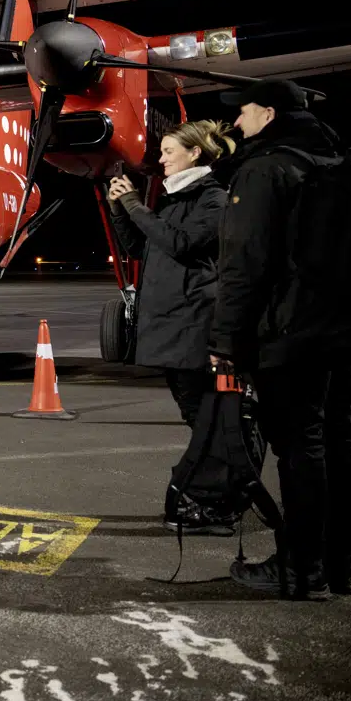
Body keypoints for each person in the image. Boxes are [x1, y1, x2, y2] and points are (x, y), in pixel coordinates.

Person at [207, 79, 351, 599]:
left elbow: (244, 263)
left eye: (243, 113)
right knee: (338, 444)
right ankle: (339, 565)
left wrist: (225, 340)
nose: (237, 123)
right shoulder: (336, 163)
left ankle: (301, 569)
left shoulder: (266, 169)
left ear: (268, 114)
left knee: (298, 449)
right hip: (340, 331)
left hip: (289, 335)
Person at [107, 120, 236, 533]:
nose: (160, 160)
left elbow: (181, 243)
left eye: (168, 152)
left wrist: (134, 206)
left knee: (206, 420)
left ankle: (217, 506)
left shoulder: (213, 198)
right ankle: (210, 497)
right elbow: (143, 247)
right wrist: (119, 209)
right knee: (196, 416)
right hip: (172, 326)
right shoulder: (177, 198)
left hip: (193, 325)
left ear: (195, 154)